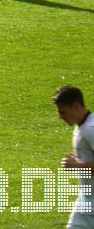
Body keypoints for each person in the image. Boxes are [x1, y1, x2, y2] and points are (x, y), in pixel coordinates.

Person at [52, 85, 94, 228]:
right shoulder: (80, 127)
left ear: (75, 106)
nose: (60, 117)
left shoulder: (91, 129)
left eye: (63, 112)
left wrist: (77, 165)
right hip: (85, 204)